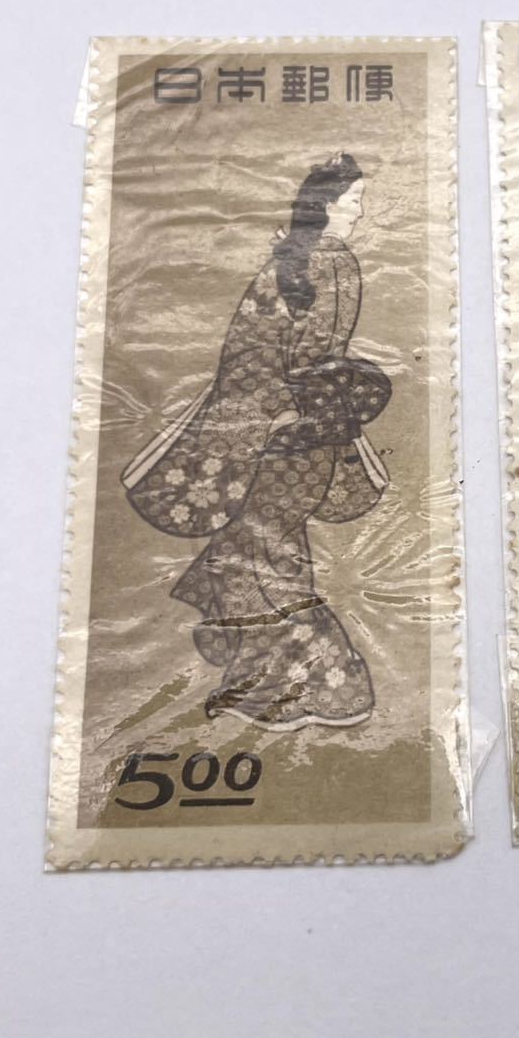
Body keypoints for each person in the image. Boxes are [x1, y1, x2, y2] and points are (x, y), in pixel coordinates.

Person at [122, 153, 391, 730]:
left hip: (282, 437)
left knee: (263, 559)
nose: (360, 212)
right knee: (259, 555)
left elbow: (285, 361)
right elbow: (285, 358)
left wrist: (262, 419)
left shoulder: (315, 261)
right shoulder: (324, 262)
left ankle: (324, 689)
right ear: (326, 206)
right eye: (354, 201)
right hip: (289, 436)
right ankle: (268, 680)